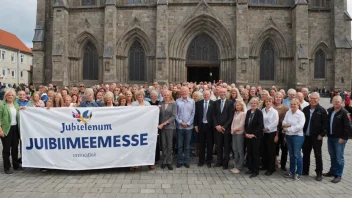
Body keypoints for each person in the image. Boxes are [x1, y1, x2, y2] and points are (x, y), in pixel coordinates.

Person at [323, 96, 351, 183]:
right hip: (330, 137)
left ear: (341, 102)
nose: (336, 103)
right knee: (332, 156)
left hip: (339, 138)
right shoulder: (330, 110)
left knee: (339, 157)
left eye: (338, 101)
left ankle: (338, 175)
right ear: (332, 102)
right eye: (335, 101)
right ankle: (332, 171)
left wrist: (344, 138)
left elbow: (348, 127)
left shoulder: (345, 113)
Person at [302, 92, 328, 181]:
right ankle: (305, 170)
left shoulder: (322, 110)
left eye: (315, 98)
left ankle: (319, 173)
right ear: (309, 99)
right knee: (305, 154)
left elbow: (325, 124)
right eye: (311, 98)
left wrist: (322, 134)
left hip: (317, 137)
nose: (313, 100)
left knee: (318, 155)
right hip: (307, 136)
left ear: (318, 99)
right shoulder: (305, 109)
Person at [0, 88, 23, 174]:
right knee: (6, 149)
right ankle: (7, 167)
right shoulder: (2, 105)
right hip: (6, 129)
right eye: (9, 95)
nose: (10, 96)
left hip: (15, 128)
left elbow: (18, 112)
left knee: (15, 148)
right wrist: (0, 130)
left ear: (14, 97)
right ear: (6, 96)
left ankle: (16, 165)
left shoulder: (16, 105)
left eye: (12, 95)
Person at [283, 98, 305, 180]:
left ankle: (299, 173)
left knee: (297, 154)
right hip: (289, 136)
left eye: (294, 104)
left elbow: (300, 126)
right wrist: (288, 126)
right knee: (291, 154)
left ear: (298, 105)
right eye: (291, 104)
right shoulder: (288, 112)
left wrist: (288, 128)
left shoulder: (300, 114)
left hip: (297, 136)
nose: (292, 106)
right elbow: (284, 123)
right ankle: (292, 171)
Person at [213, 88, 234, 170]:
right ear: (219, 93)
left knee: (226, 146)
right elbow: (213, 115)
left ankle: (225, 163)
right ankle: (219, 161)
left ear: (226, 93)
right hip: (217, 128)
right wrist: (216, 126)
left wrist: (224, 127)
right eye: (221, 92)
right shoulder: (215, 103)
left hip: (226, 129)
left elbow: (231, 117)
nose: (222, 93)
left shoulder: (230, 103)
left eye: (224, 92)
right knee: (219, 146)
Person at [175, 86, 195, 168]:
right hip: (179, 127)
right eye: (182, 91)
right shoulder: (177, 101)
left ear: (188, 92)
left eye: (185, 91)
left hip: (189, 127)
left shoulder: (192, 101)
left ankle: (186, 161)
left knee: (187, 146)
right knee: (179, 146)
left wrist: (188, 123)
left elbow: (193, 113)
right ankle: (180, 161)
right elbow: (175, 114)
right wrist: (180, 122)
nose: (184, 92)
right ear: (180, 92)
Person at [194, 90, 214, 168]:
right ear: (203, 95)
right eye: (205, 95)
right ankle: (201, 161)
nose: (206, 96)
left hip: (209, 127)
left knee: (210, 144)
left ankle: (209, 161)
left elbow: (214, 116)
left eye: (207, 94)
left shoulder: (213, 103)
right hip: (201, 126)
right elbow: (195, 115)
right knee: (201, 144)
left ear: (210, 95)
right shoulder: (198, 103)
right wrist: (195, 125)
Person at [244, 97, 264, 178]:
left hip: (255, 137)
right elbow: (246, 124)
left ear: (257, 104)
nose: (253, 104)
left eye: (255, 103)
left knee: (256, 154)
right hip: (248, 136)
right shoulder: (248, 112)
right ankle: (250, 168)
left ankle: (255, 171)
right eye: (252, 103)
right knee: (249, 153)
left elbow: (260, 125)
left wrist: (253, 134)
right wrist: (246, 133)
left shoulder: (259, 112)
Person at [260, 96, 279, 176]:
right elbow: (260, 120)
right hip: (263, 133)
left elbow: (276, 122)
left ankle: (271, 168)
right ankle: (265, 165)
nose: (268, 103)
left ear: (272, 102)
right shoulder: (262, 110)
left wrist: (267, 128)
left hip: (271, 133)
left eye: (270, 101)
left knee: (271, 151)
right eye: (267, 101)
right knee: (264, 150)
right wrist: (262, 128)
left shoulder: (274, 111)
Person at [158, 90, 176, 170]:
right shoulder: (160, 103)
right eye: (165, 95)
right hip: (162, 128)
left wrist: (164, 123)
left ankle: (169, 162)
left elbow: (173, 116)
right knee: (163, 145)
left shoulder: (173, 104)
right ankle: (164, 161)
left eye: (167, 95)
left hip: (169, 127)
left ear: (170, 96)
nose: (166, 96)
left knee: (169, 145)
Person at [230, 99, 246, 174]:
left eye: (239, 105)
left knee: (240, 150)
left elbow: (241, 124)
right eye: (236, 105)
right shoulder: (235, 113)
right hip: (234, 133)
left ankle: (240, 166)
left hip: (239, 133)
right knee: (234, 149)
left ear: (242, 106)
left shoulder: (243, 114)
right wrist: (232, 130)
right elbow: (233, 122)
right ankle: (236, 165)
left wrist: (235, 130)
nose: (237, 106)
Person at [273, 92, 289, 171]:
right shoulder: (271, 107)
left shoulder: (286, 108)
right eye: (276, 97)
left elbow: (288, 119)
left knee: (284, 148)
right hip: (273, 130)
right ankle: (274, 162)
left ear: (282, 98)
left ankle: (283, 164)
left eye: (279, 97)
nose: (278, 98)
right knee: (274, 147)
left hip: (283, 130)